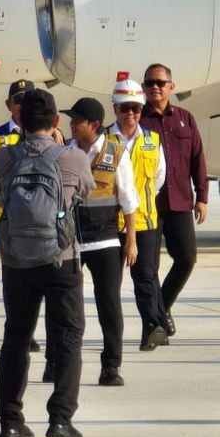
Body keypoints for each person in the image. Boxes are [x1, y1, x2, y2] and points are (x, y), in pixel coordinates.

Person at [0, 89, 94, 437]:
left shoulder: (3, 157)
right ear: (56, 122)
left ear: (18, 120)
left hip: (16, 258)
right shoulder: (73, 157)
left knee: (16, 337)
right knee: (67, 337)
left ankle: (11, 421)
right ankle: (61, 419)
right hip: (60, 258)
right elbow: (87, 191)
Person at [63, 97, 138, 386]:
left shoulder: (116, 153)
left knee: (109, 304)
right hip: (71, 241)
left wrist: (131, 241)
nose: (72, 123)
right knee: (66, 305)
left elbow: (129, 201)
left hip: (106, 242)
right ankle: (56, 361)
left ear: (94, 125)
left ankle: (111, 366)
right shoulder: (65, 152)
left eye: (77, 120)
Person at [140, 63, 207, 337]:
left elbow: (197, 159)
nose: (155, 87)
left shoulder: (185, 118)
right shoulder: (138, 121)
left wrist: (202, 197)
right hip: (149, 205)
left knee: (187, 259)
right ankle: (155, 325)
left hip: (180, 201)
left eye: (160, 82)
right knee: (149, 267)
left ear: (171, 86)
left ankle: (161, 308)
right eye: (149, 83)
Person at [107, 79, 168, 353]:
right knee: (110, 283)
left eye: (135, 108)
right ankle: (113, 336)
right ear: (115, 109)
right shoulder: (104, 140)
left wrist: (139, 204)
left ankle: (151, 328)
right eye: (124, 109)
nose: (130, 114)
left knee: (145, 277)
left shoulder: (152, 140)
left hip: (144, 221)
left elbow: (158, 179)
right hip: (109, 222)